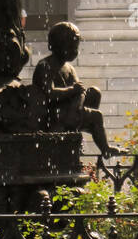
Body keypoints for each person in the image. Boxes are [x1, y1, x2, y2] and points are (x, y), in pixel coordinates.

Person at [31, 21, 117, 159]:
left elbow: (79, 90)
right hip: (54, 115)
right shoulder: (45, 66)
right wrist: (72, 91)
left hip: (69, 110)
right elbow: (48, 94)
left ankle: (75, 126)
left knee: (94, 92)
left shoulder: (69, 68)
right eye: (71, 46)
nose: (75, 50)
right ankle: (105, 148)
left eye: (76, 47)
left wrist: (77, 99)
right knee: (97, 116)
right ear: (58, 45)